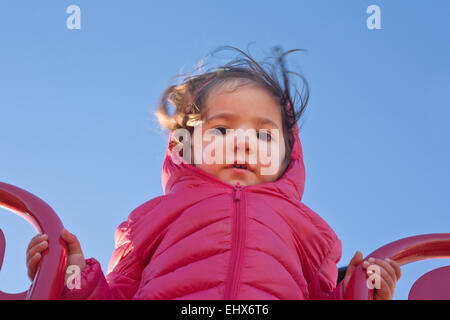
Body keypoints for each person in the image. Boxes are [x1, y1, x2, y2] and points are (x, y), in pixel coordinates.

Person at [25, 46, 401, 300]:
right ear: (183, 146)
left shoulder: (311, 232)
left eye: (264, 134)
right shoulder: (149, 219)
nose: (244, 143)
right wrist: (71, 278)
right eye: (221, 130)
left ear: (289, 156)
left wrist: (359, 290)